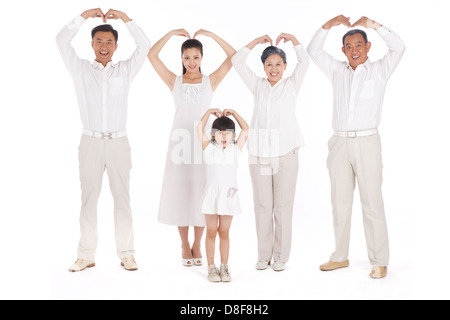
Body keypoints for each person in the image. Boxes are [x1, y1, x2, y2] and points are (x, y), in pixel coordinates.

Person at [307, 16, 406, 279]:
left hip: (367, 142)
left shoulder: (379, 70)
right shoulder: (337, 70)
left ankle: (379, 260)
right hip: (339, 142)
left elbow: (399, 47)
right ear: (343, 50)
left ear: (368, 46)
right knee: (340, 203)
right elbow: (313, 51)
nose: (354, 50)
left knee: (371, 201)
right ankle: (340, 256)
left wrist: (376, 25)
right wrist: (327, 25)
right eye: (349, 46)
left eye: (359, 45)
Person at [56, 8, 151, 272]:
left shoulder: (125, 70)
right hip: (90, 142)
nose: (104, 46)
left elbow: (145, 45)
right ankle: (85, 254)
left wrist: (126, 19)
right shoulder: (80, 70)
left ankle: (127, 253)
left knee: (123, 199)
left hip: (119, 142)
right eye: (99, 41)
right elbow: (61, 41)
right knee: (89, 199)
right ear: (92, 44)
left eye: (109, 41)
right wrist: (83, 16)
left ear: (116, 45)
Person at [148, 29, 235, 267]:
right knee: (180, 192)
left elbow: (233, 57)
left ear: (202, 58)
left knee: (201, 192)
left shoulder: (210, 81)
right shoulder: (174, 81)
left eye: (196, 57)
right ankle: (184, 244)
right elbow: (152, 56)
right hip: (179, 143)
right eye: (187, 57)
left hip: (204, 144)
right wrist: (170, 33)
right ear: (182, 58)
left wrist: (211, 34)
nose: (191, 62)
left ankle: (198, 243)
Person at [232, 33, 309, 271]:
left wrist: (294, 40)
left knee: (283, 206)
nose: (273, 69)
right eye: (269, 64)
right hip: (260, 155)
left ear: (285, 66)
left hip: (286, 153)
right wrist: (254, 42)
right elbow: (236, 61)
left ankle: (281, 256)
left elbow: (305, 61)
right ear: (263, 67)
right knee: (263, 206)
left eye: (278, 64)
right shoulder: (257, 85)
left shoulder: (291, 85)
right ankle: (263, 255)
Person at [196, 108, 249, 282]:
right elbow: (198, 127)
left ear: (233, 136)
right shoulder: (208, 149)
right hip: (212, 196)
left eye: (228, 134)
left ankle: (224, 266)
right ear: (213, 135)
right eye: (220, 133)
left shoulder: (236, 150)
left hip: (229, 196)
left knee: (224, 232)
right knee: (211, 231)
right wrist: (209, 112)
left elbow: (246, 129)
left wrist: (234, 113)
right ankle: (211, 267)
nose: (224, 137)